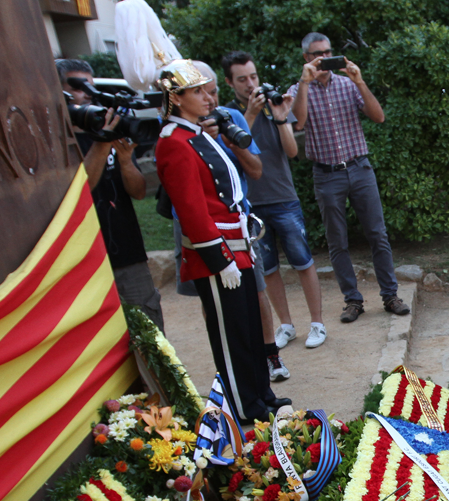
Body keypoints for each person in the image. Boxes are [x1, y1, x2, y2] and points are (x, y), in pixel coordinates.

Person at [154, 59, 289, 424]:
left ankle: (261, 394)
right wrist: (220, 258)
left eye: (207, 90)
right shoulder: (173, 141)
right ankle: (245, 407)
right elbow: (192, 209)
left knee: (249, 327)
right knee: (232, 336)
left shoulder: (196, 134)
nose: (207, 97)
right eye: (197, 91)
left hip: (237, 244)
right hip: (216, 253)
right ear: (176, 98)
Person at [288, 32, 409, 324]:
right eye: (317, 54)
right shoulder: (297, 89)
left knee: (378, 234)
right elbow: (298, 123)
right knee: (337, 241)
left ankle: (390, 295)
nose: (324, 58)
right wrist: (304, 82)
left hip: (359, 167)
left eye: (328, 52)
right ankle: (353, 300)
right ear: (306, 58)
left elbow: (378, 116)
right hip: (326, 174)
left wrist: (360, 81)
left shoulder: (347, 84)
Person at [223, 50, 327, 351]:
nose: (250, 84)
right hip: (251, 204)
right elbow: (230, 152)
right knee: (267, 268)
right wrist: (250, 115)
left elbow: (292, 152)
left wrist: (281, 118)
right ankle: (286, 325)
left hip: (283, 198)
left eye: (253, 76)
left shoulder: (273, 104)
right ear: (229, 82)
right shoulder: (228, 114)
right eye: (242, 79)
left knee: (303, 261)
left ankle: (317, 323)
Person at [57, 60, 163, 331]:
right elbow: (82, 190)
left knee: (152, 334)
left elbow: (139, 192)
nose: (86, 94)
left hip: (129, 254)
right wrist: (103, 142)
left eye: (90, 87)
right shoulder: (58, 144)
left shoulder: (113, 133)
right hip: (84, 261)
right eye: (77, 87)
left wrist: (126, 161)